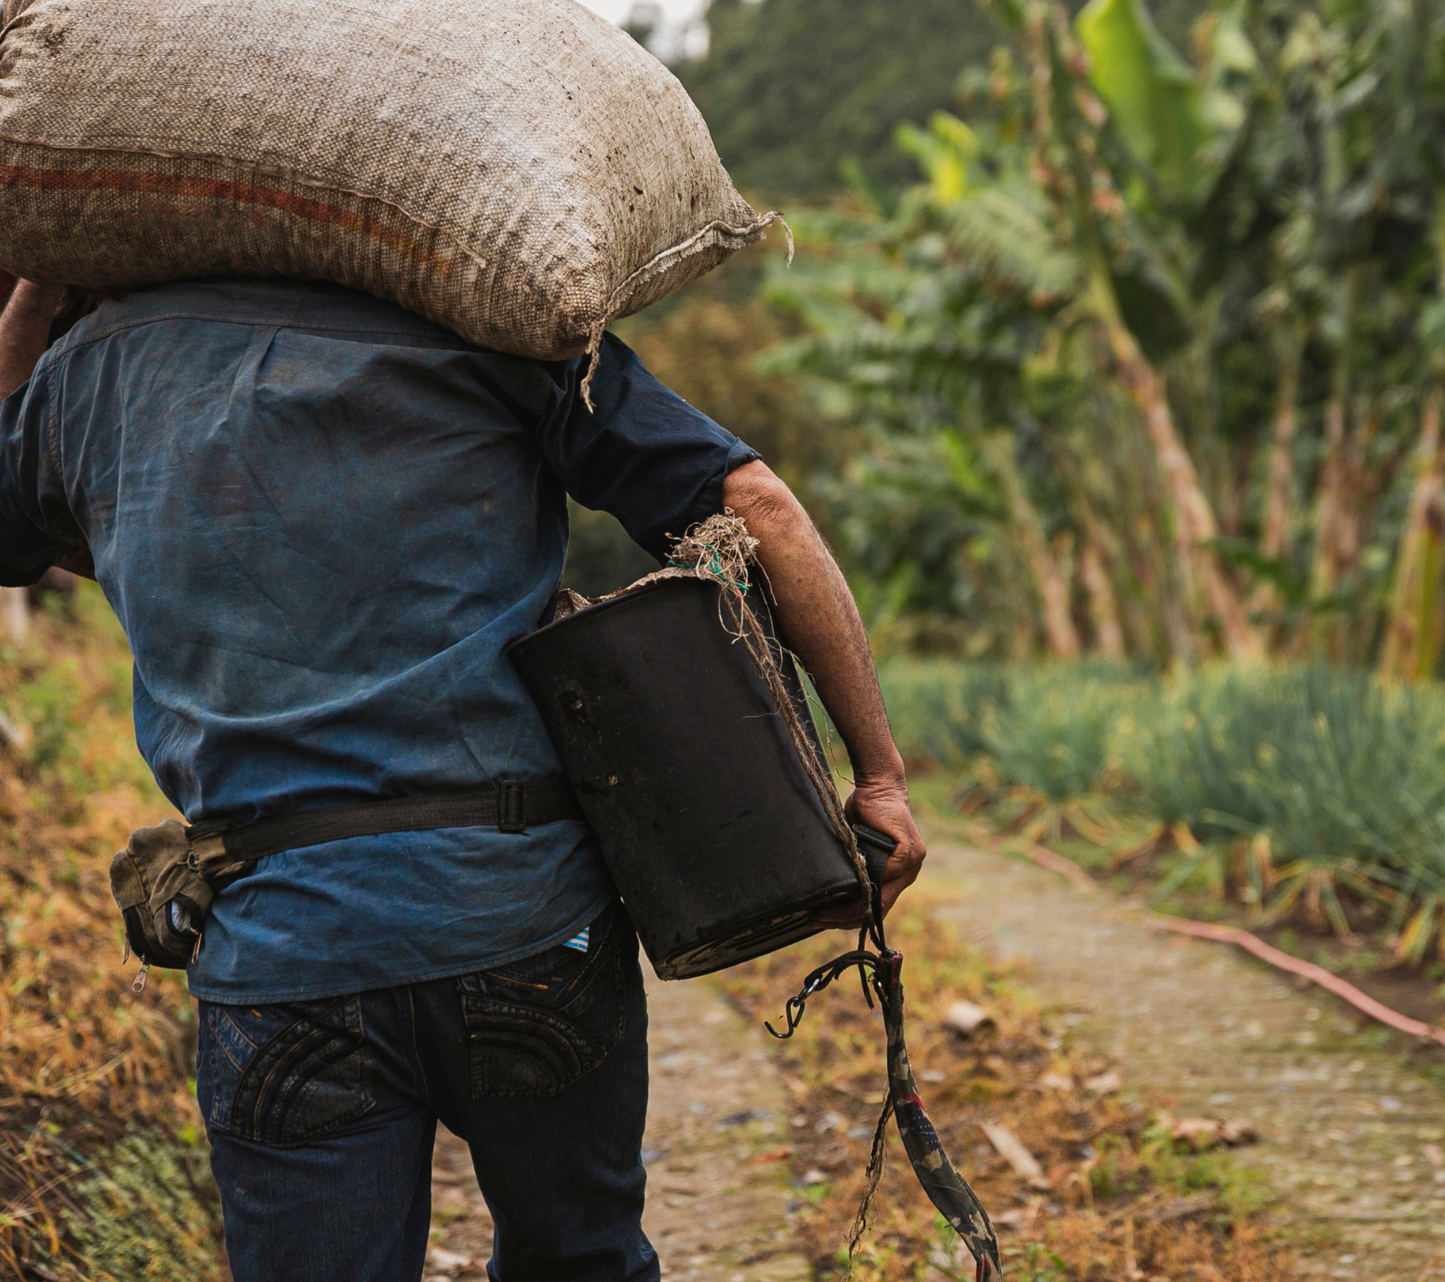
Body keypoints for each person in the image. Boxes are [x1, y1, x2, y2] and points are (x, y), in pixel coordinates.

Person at [0, 273, 924, 1282]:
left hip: (281, 957)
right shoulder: (484, 312)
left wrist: (33, 314)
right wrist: (876, 778)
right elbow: (759, 508)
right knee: (583, 1261)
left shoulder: (86, 376)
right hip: (531, 930)